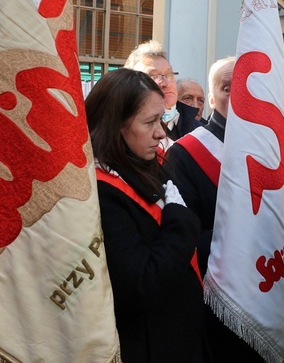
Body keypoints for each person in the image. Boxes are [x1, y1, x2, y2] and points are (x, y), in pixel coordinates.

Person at [85, 68, 208, 362]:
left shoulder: (145, 162)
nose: (161, 133)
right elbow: (141, 284)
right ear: (116, 125)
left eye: (162, 118)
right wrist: (181, 220)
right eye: (150, 121)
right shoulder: (102, 191)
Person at [165, 57, 264, 363]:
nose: (238, 94)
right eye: (226, 87)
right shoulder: (185, 154)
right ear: (211, 99)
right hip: (220, 302)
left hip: (269, 289)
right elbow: (185, 237)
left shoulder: (272, 148)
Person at [125, 40, 202, 147]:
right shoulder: (124, 132)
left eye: (169, 74)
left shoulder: (200, 133)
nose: (165, 83)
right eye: (153, 76)